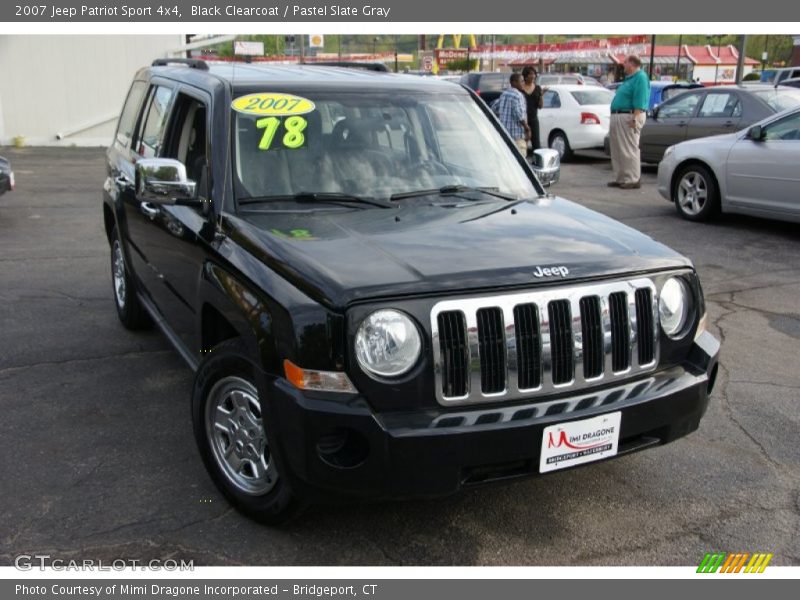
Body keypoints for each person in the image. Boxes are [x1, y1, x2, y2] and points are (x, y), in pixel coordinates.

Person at [608, 55, 650, 189]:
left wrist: (635, 118)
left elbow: (640, 98)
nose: (623, 65)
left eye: (625, 62)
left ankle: (632, 178)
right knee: (617, 149)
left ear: (632, 63)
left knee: (628, 148)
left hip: (629, 115)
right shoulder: (629, 79)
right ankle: (621, 177)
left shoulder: (640, 78)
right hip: (619, 115)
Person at [492, 72, 531, 156]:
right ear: (514, 82)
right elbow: (519, 115)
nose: (523, 83)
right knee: (520, 161)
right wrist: (527, 128)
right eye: (521, 81)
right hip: (516, 136)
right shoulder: (518, 95)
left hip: (504, 135)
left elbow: (494, 107)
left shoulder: (504, 94)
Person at [521, 66, 544, 152]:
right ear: (525, 76)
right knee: (522, 142)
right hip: (522, 119)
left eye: (534, 74)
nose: (533, 76)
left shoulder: (537, 88)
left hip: (533, 119)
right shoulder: (520, 88)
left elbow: (540, 106)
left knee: (536, 144)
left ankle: (537, 163)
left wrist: (541, 95)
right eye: (531, 74)